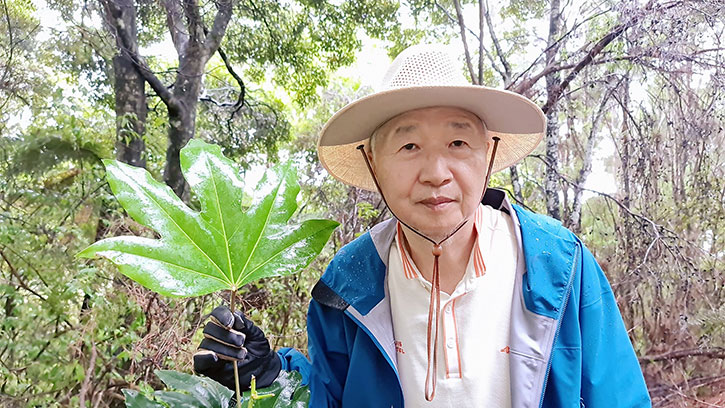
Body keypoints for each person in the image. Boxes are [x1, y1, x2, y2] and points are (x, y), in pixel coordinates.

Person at [193, 44, 651, 407]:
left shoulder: (559, 265)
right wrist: (270, 374)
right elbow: (330, 397)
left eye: (457, 141)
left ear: (488, 153)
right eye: (409, 146)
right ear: (372, 161)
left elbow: (618, 395)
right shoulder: (348, 283)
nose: (436, 172)